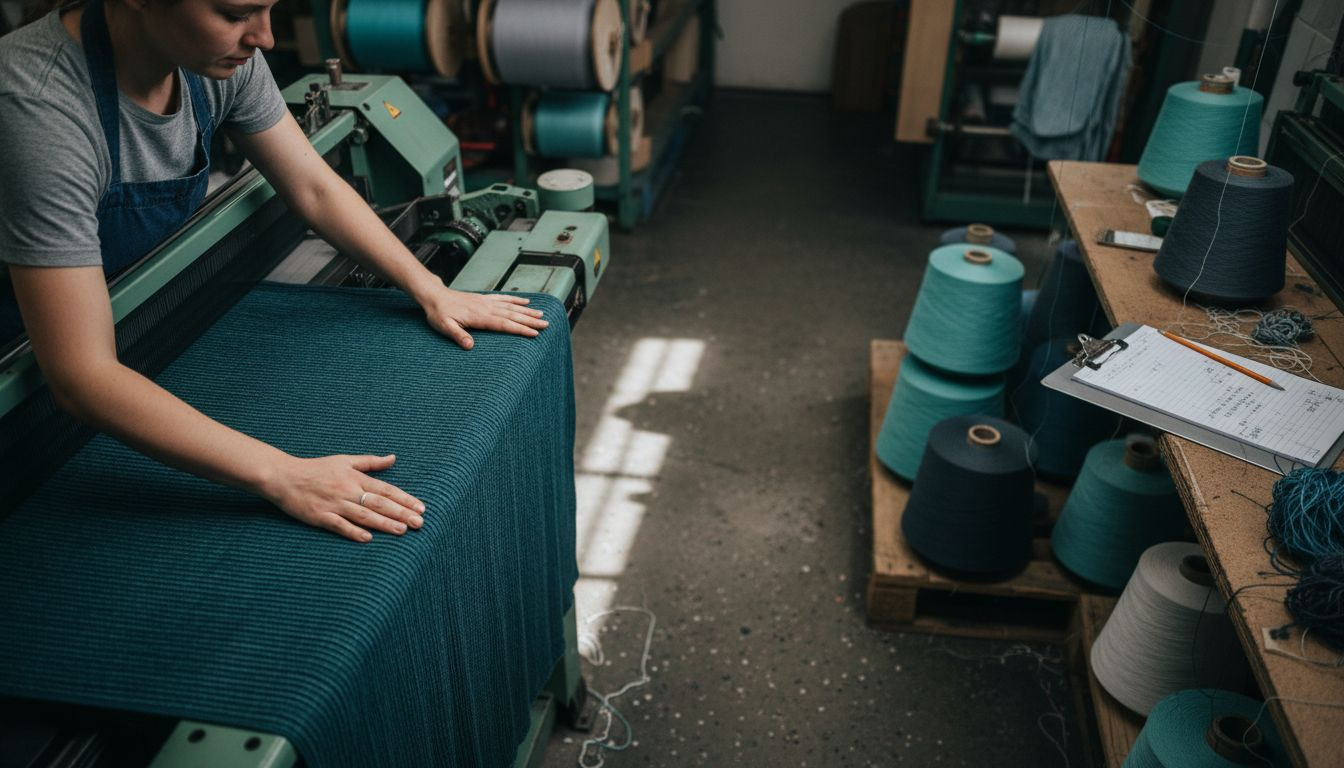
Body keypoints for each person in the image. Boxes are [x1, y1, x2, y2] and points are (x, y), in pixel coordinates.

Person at [0, 0, 551, 541]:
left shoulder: (210, 62)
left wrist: (429, 287)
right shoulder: (40, 108)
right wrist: (283, 475)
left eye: (267, 10)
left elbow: (311, 186)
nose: (263, 37)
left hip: (136, 318)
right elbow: (81, 375)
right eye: (236, 14)